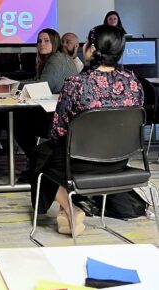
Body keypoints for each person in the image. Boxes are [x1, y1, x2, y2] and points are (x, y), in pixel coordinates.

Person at [30, 25, 144, 236]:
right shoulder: (134, 82)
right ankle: (70, 208)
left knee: (40, 156)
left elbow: (58, 133)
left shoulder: (76, 84)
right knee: (46, 156)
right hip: (120, 160)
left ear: (91, 49)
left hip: (80, 163)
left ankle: (71, 208)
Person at [14, 28, 78, 162]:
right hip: (65, 116)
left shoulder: (56, 59)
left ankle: (38, 162)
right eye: (39, 41)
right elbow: (38, 80)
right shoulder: (61, 57)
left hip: (57, 119)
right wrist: (15, 83)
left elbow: (44, 86)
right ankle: (37, 162)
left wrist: (15, 86)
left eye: (46, 41)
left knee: (17, 120)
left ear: (55, 42)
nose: (42, 44)